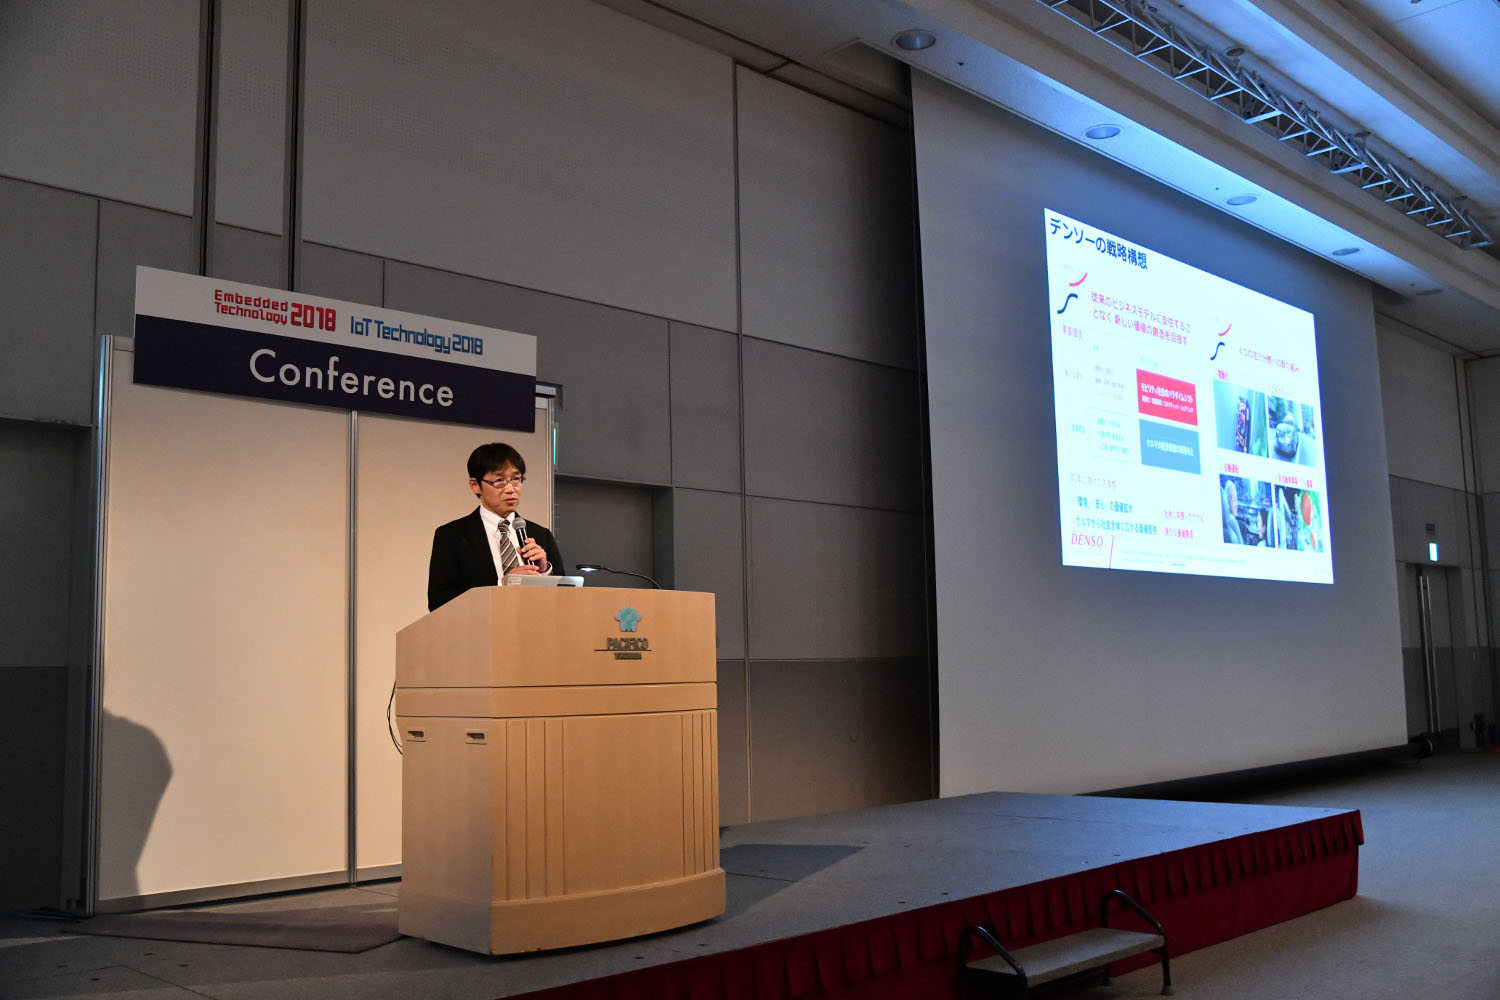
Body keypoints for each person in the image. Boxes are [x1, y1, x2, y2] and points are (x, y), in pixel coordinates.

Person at [426, 442, 565, 611]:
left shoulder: (541, 535)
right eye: (499, 481)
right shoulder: (451, 536)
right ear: (475, 485)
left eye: (516, 479)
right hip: (478, 626)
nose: (511, 489)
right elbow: (439, 601)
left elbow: (565, 599)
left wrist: (544, 573)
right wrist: (500, 587)